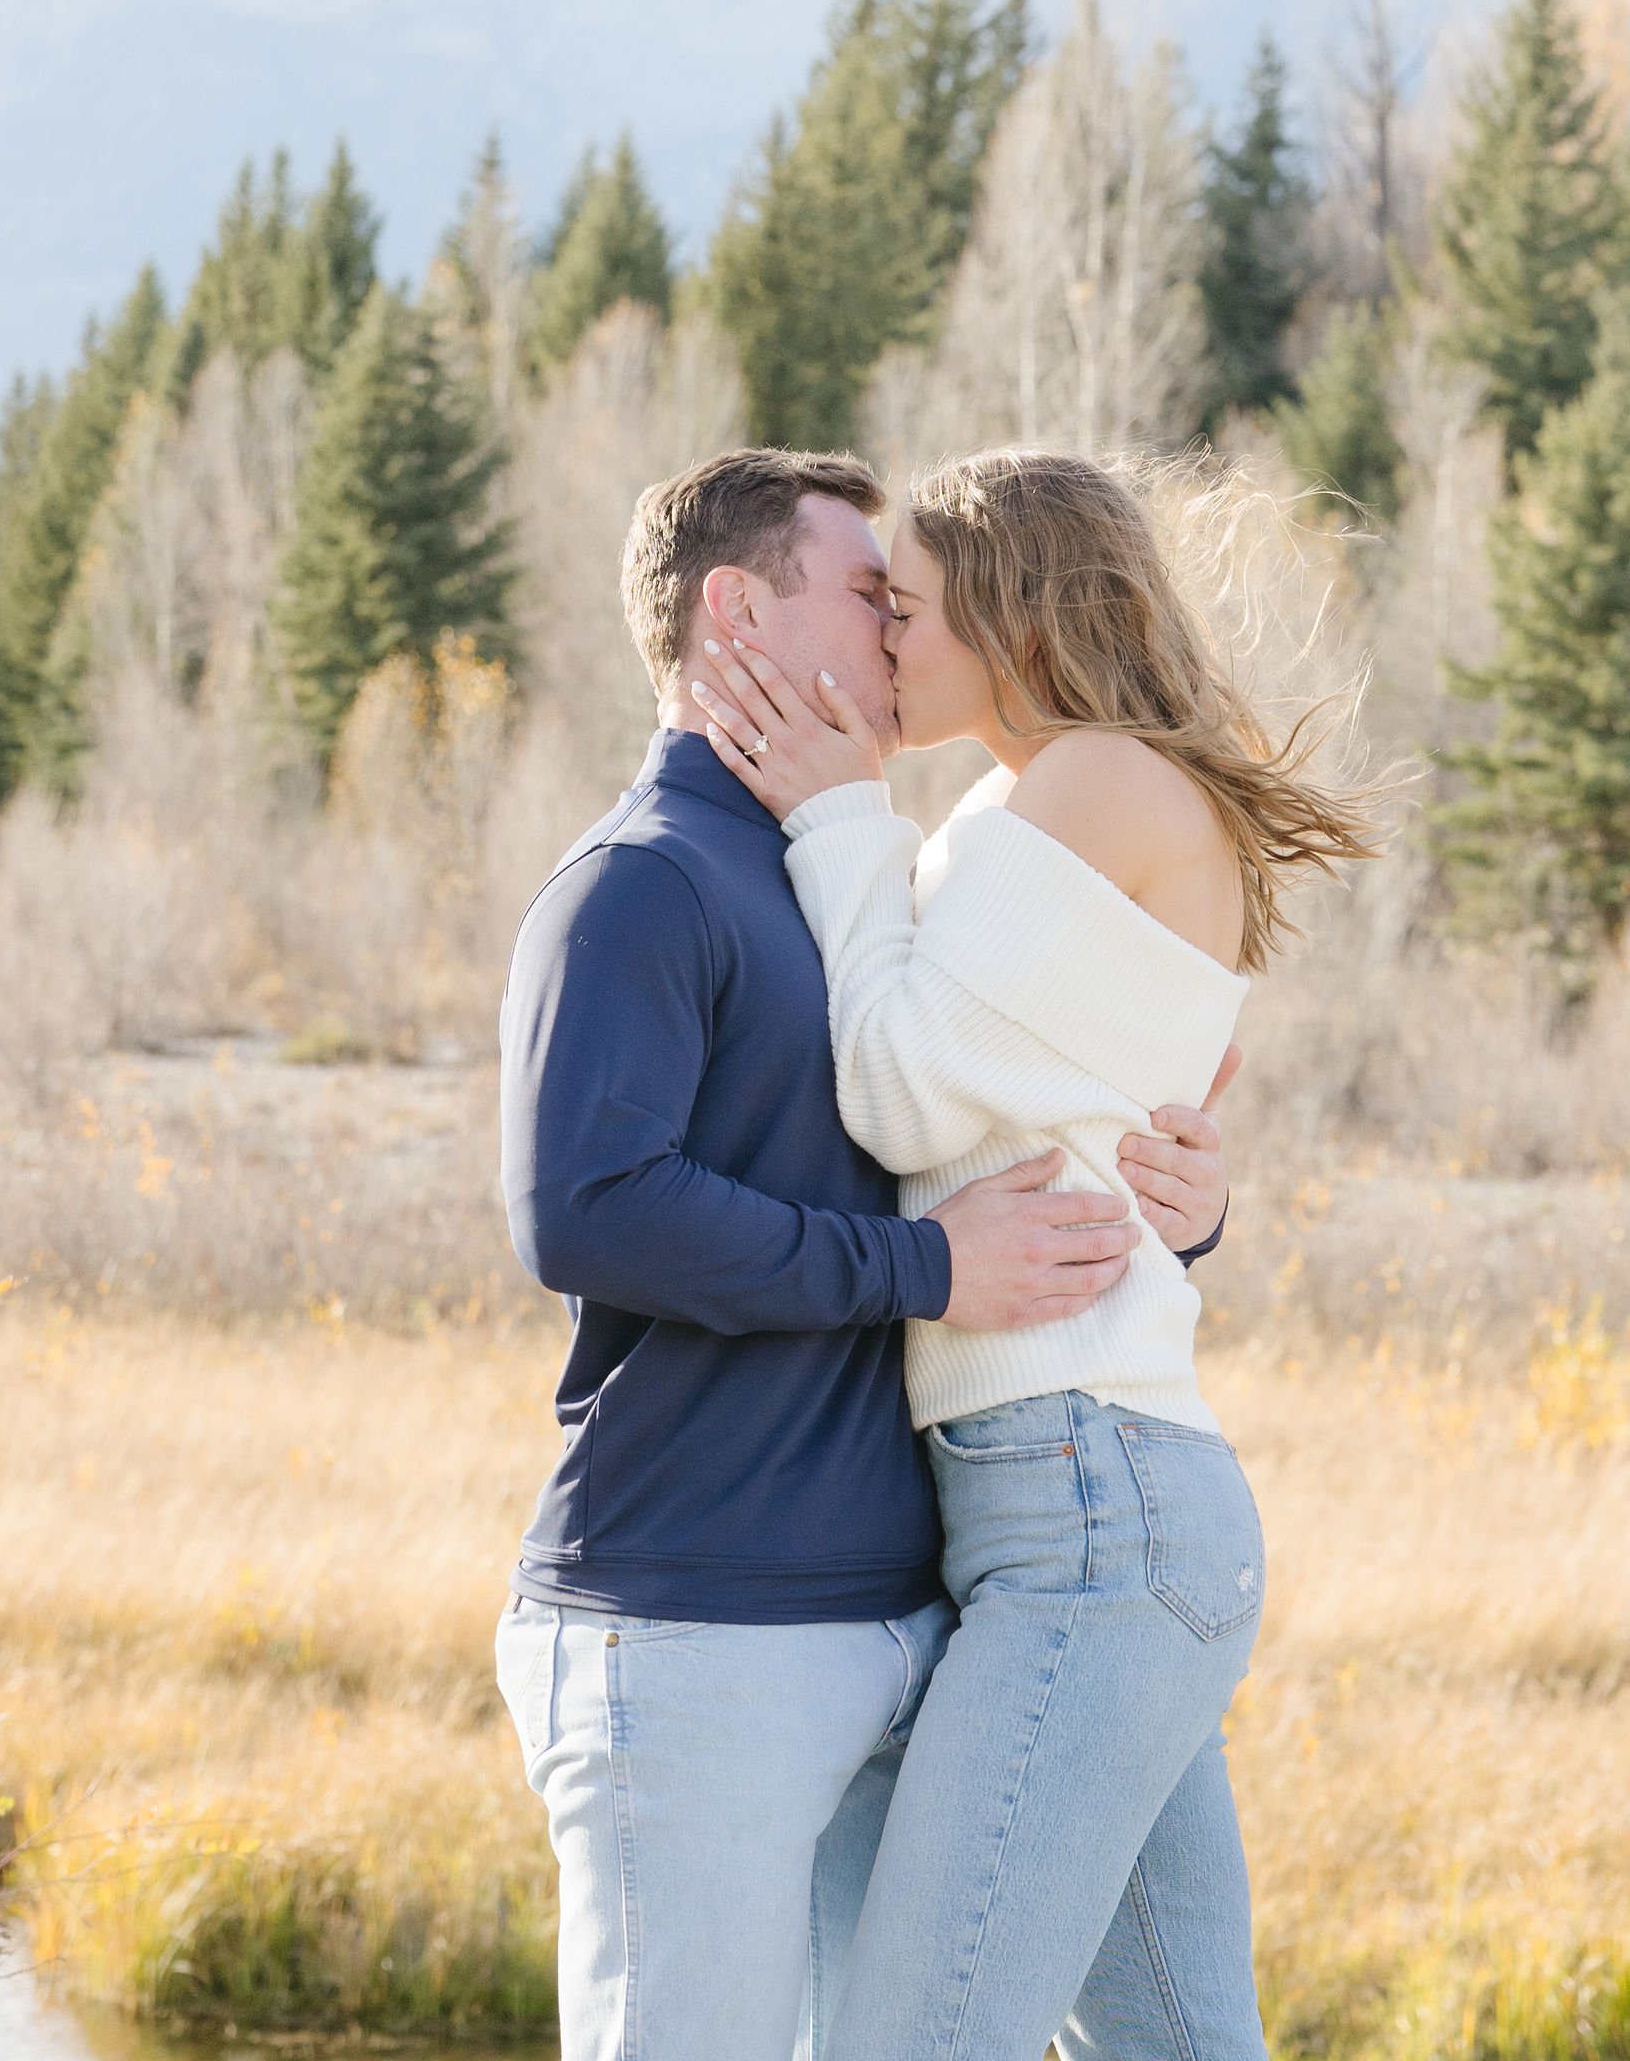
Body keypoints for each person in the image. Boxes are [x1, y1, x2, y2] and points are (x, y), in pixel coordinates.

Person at [494, 448, 1236, 2061]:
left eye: (912, 605)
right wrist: (927, 1274)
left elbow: (994, 1109)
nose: (896, 636)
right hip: (698, 1614)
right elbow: (587, 1209)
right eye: (865, 595)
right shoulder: (647, 885)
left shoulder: (853, 861)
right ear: (736, 612)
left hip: (929, 1598)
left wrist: (1176, 1190)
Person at [690, 447, 1377, 2061]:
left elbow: (902, 1082)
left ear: (1008, 609)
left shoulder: (1093, 782)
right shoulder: (1037, 797)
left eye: (906, 607)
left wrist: (842, 818)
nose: (884, 645)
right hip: (1075, 1506)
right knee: (1179, 2044)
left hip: (1091, 1508)